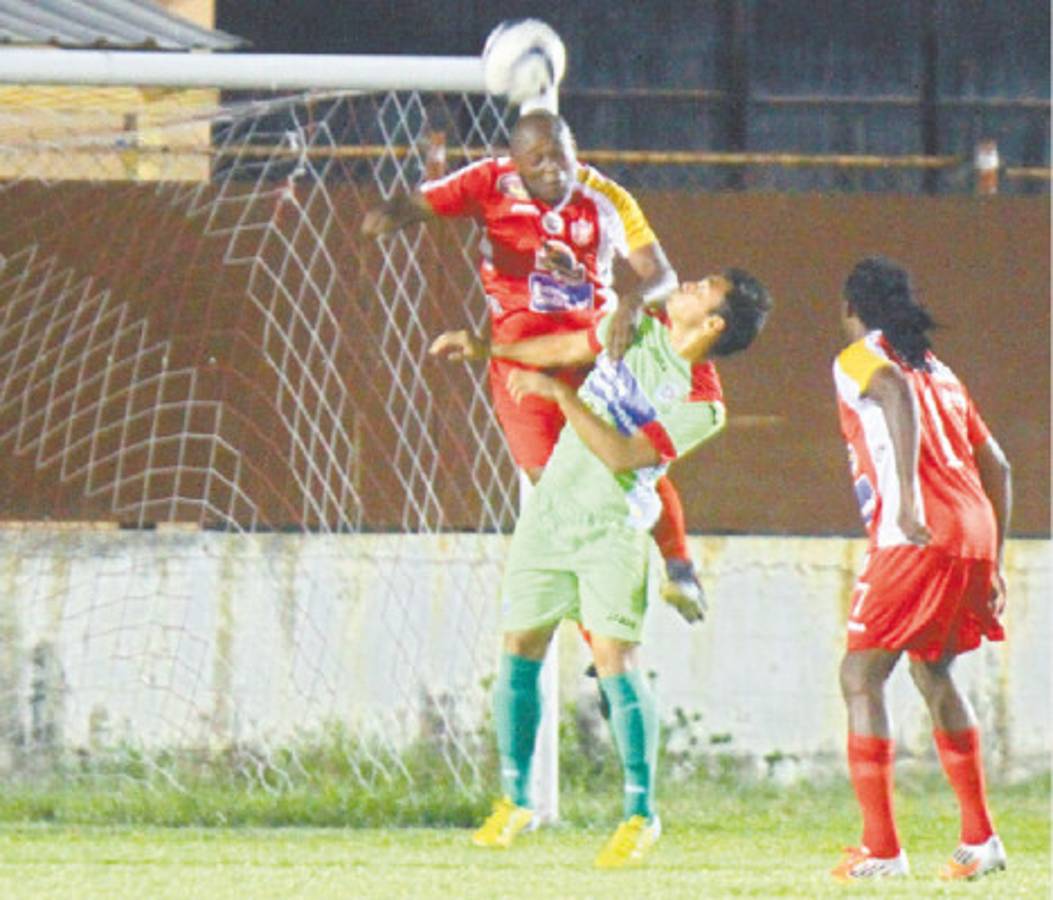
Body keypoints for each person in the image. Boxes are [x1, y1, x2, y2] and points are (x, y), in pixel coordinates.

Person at [431, 270, 773, 868]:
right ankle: (515, 801)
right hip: (549, 516)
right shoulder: (637, 327)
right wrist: (488, 349)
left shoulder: (703, 403)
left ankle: (641, 815)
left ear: (715, 323)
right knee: (519, 650)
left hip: (611, 530)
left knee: (617, 663)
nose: (688, 284)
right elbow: (564, 348)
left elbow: (621, 454)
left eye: (704, 288)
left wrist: (561, 396)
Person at [362, 110, 705, 614]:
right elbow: (418, 204)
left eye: (559, 156)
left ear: (575, 151)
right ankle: (606, 624)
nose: (551, 169)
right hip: (523, 362)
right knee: (562, 491)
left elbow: (663, 274)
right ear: (516, 162)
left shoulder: (605, 197)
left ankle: (680, 568)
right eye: (537, 159)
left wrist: (634, 302)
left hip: (595, 351)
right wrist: (388, 219)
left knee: (634, 462)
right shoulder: (487, 181)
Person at [829, 257, 1011, 882]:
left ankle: (880, 849)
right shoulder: (945, 373)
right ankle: (980, 840)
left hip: (917, 536)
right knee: (933, 671)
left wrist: (905, 499)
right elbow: (1001, 468)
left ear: (851, 308)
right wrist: (998, 559)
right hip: (974, 533)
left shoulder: (859, 358)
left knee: (861, 674)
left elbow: (893, 394)